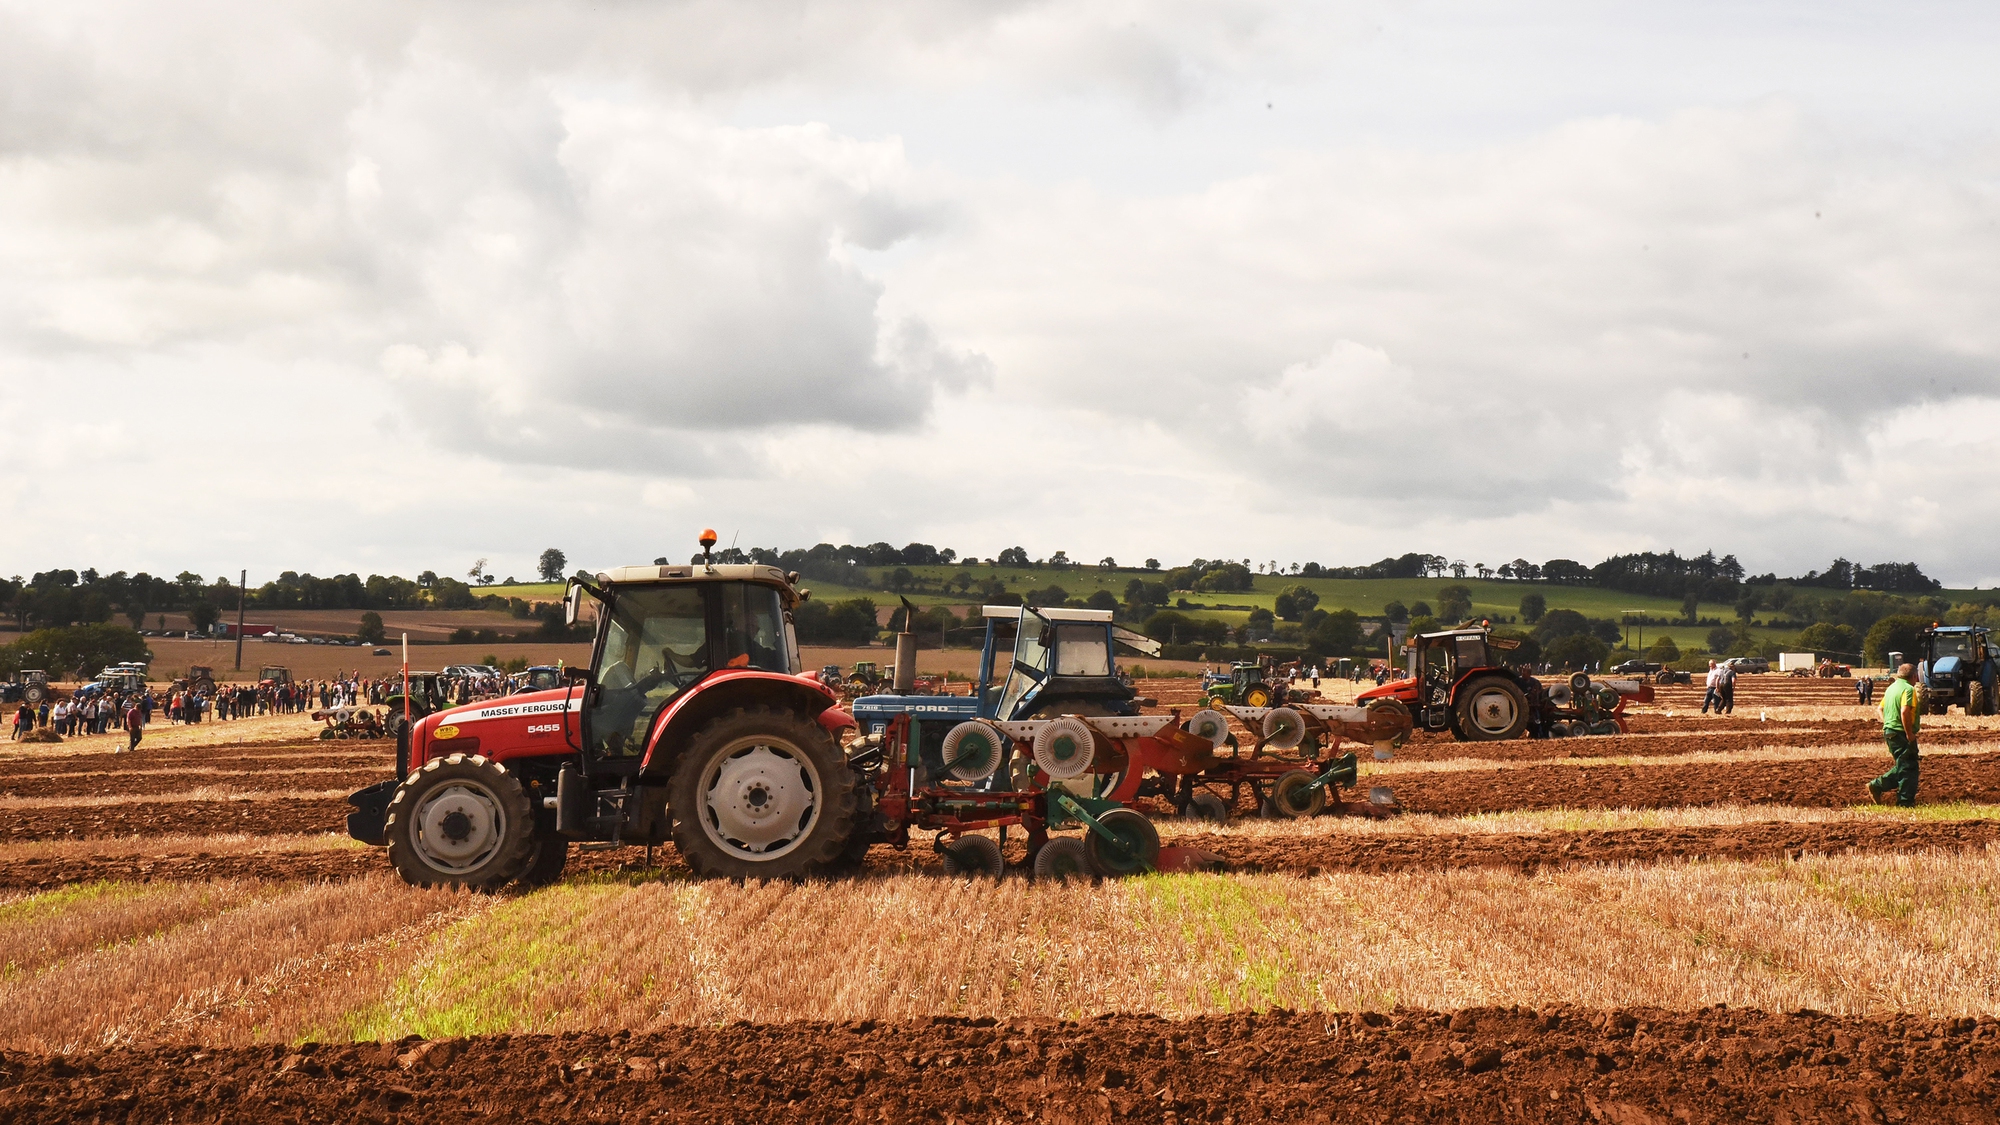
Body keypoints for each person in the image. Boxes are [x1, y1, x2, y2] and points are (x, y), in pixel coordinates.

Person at [1869, 663, 1921, 807]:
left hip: (1890, 731)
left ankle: (1880, 787)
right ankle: (1903, 801)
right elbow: (1905, 711)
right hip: (1901, 733)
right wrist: (1909, 734)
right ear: (1914, 676)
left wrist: (1888, 722)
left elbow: (1880, 708)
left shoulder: (1891, 688)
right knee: (1908, 767)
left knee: (1904, 765)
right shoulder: (1908, 689)